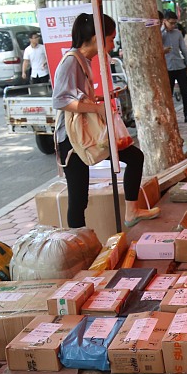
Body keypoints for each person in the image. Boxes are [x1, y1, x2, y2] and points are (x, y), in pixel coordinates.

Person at [52, 13, 159, 228]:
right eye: (110, 39)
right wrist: (97, 108)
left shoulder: (83, 60)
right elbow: (60, 101)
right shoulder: (71, 61)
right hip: (72, 139)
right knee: (78, 198)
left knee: (135, 157)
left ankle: (132, 212)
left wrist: (100, 98)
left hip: (89, 134)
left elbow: (77, 96)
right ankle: (78, 241)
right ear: (96, 38)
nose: (112, 45)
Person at [162, 11, 187, 123]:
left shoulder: (178, 33)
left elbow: (184, 50)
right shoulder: (160, 33)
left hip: (179, 65)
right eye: (171, 23)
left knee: (185, 92)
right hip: (167, 67)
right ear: (164, 21)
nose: (173, 25)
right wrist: (163, 29)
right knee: (168, 94)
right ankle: (170, 117)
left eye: (174, 23)